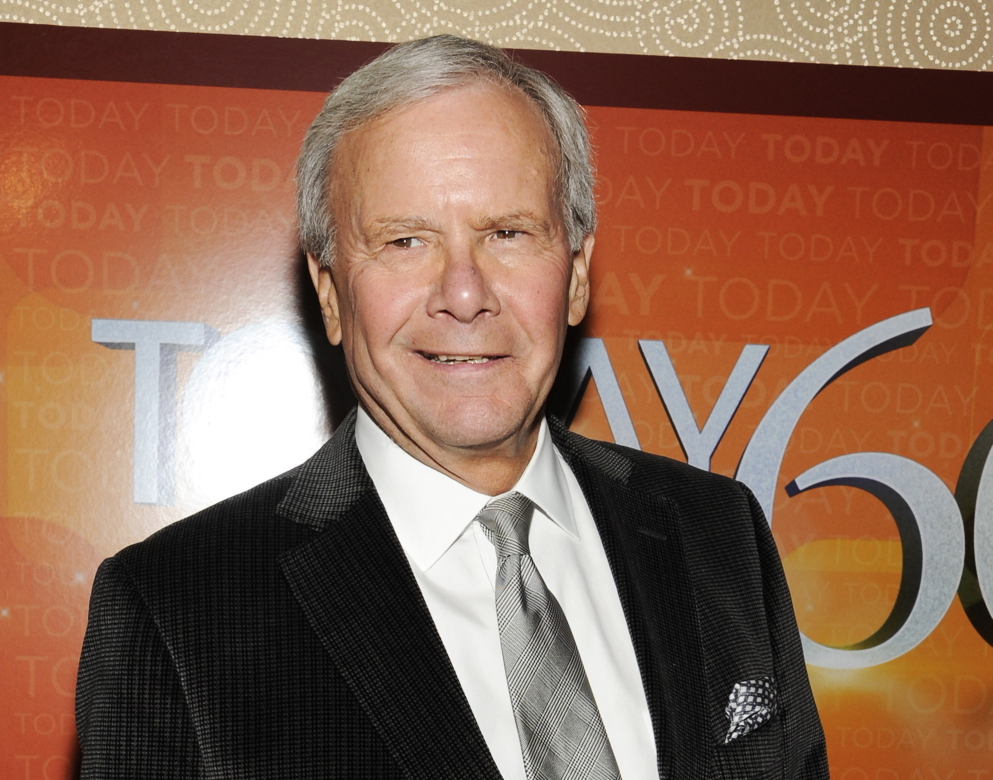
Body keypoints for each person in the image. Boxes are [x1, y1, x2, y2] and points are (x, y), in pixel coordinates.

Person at [76, 35, 829, 779]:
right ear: (331, 294)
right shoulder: (176, 609)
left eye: (507, 233)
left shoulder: (717, 535)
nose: (463, 295)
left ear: (574, 277)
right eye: (405, 241)